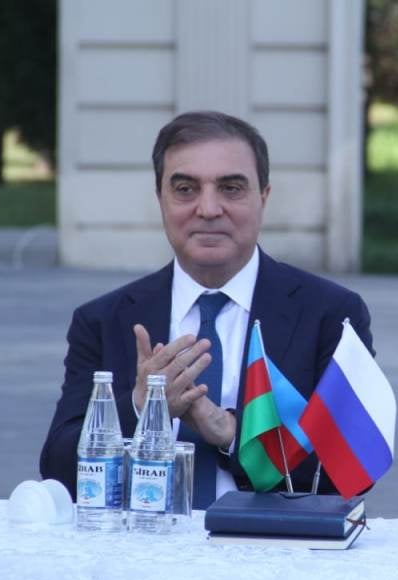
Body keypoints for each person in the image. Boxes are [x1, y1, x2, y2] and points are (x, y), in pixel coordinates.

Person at [40, 111, 372, 508]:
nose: (209, 208)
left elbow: (349, 471)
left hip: (272, 542)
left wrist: (232, 433)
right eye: (185, 189)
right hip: (142, 539)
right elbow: (59, 470)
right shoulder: (104, 320)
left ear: (263, 198)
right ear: (160, 199)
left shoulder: (330, 315)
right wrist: (139, 407)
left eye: (231, 188)